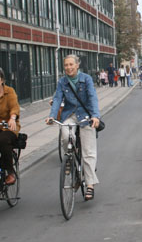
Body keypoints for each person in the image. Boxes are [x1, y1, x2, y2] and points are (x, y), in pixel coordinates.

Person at [46, 54, 100, 201]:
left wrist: (95, 116)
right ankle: (69, 157)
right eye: (66, 65)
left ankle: (90, 185)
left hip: (85, 115)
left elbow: (93, 97)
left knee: (88, 152)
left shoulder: (86, 79)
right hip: (69, 114)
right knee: (65, 135)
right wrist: (51, 116)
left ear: (77, 65)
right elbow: (57, 98)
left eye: (71, 64)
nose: (68, 67)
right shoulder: (62, 82)